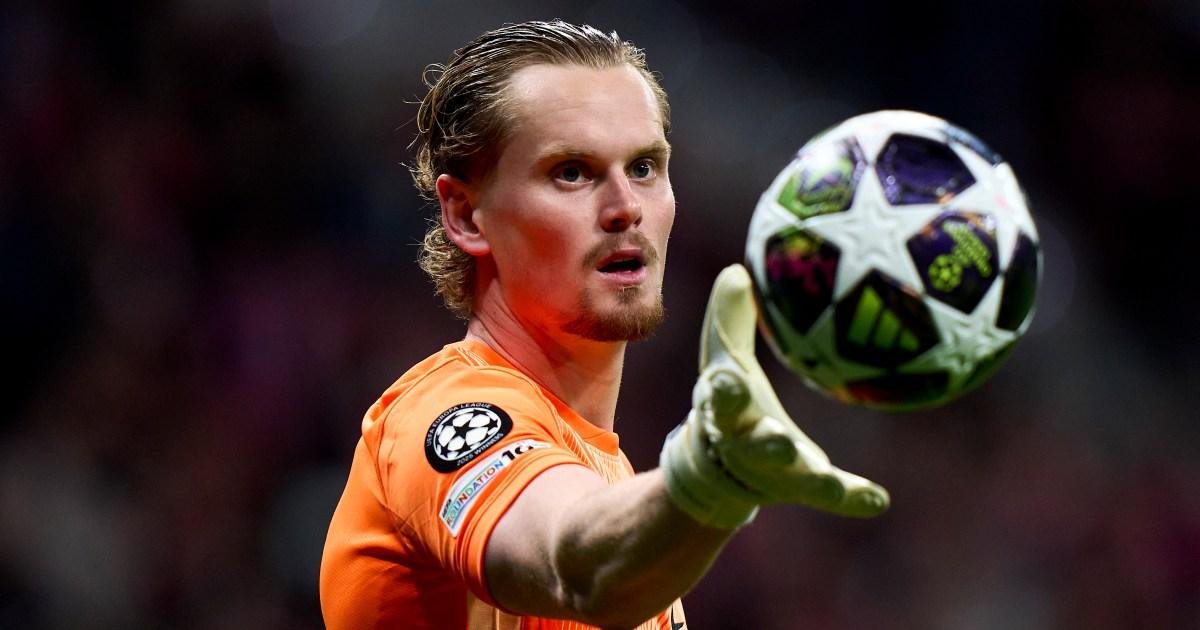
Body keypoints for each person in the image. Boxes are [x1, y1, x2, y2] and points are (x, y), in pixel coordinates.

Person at [319, 20, 889, 630]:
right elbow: (574, 566)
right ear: (466, 214)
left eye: (644, 167)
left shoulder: (611, 485)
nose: (626, 208)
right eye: (572, 172)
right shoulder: (442, 416)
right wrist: (708, 477)